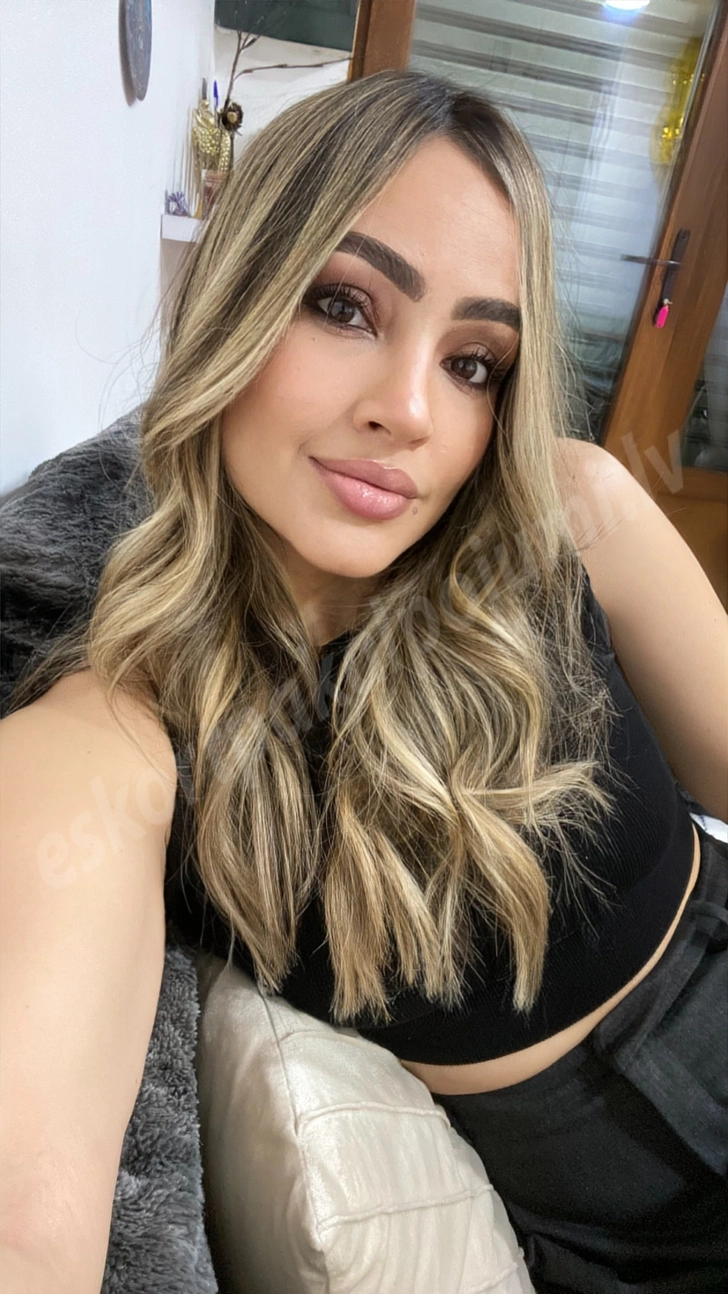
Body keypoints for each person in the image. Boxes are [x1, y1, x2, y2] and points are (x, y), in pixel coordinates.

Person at [1, 69, 726, 1294]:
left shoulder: (569, 517)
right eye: (344, 306)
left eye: (474, 361)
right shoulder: (112, 739)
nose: (410, 410)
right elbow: (30, 1223)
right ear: (233, 301)